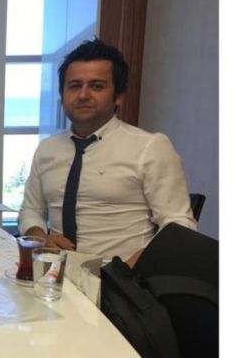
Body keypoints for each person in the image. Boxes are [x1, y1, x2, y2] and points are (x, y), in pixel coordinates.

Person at [18, 39, 197, 264]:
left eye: (96, 86)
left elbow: (179, 225)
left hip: (122, 276)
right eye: (74, 86)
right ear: (62, 96)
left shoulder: (150, 147)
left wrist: (136, 266)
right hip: (56, 273)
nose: (83, 95)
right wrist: (40, 237)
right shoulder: (47, 149)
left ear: (118, 96)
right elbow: (30, 210)